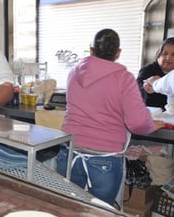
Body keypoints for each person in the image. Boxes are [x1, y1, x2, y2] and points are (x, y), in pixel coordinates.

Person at [56, 29, 164, 207]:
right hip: (103, 160)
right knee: (100, 216)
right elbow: (137, 123)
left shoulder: (74, 72)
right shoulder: (124, 79)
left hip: (68, 154)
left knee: (68, 209)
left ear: (91, 50)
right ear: (118, 53)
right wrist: (152, 124)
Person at [136, 37, 174, 110]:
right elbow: (138, 89)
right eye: (165, 54)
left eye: (173, 55)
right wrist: (146, 89)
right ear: (158, 55)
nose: (168, 58)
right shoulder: (147, 70)